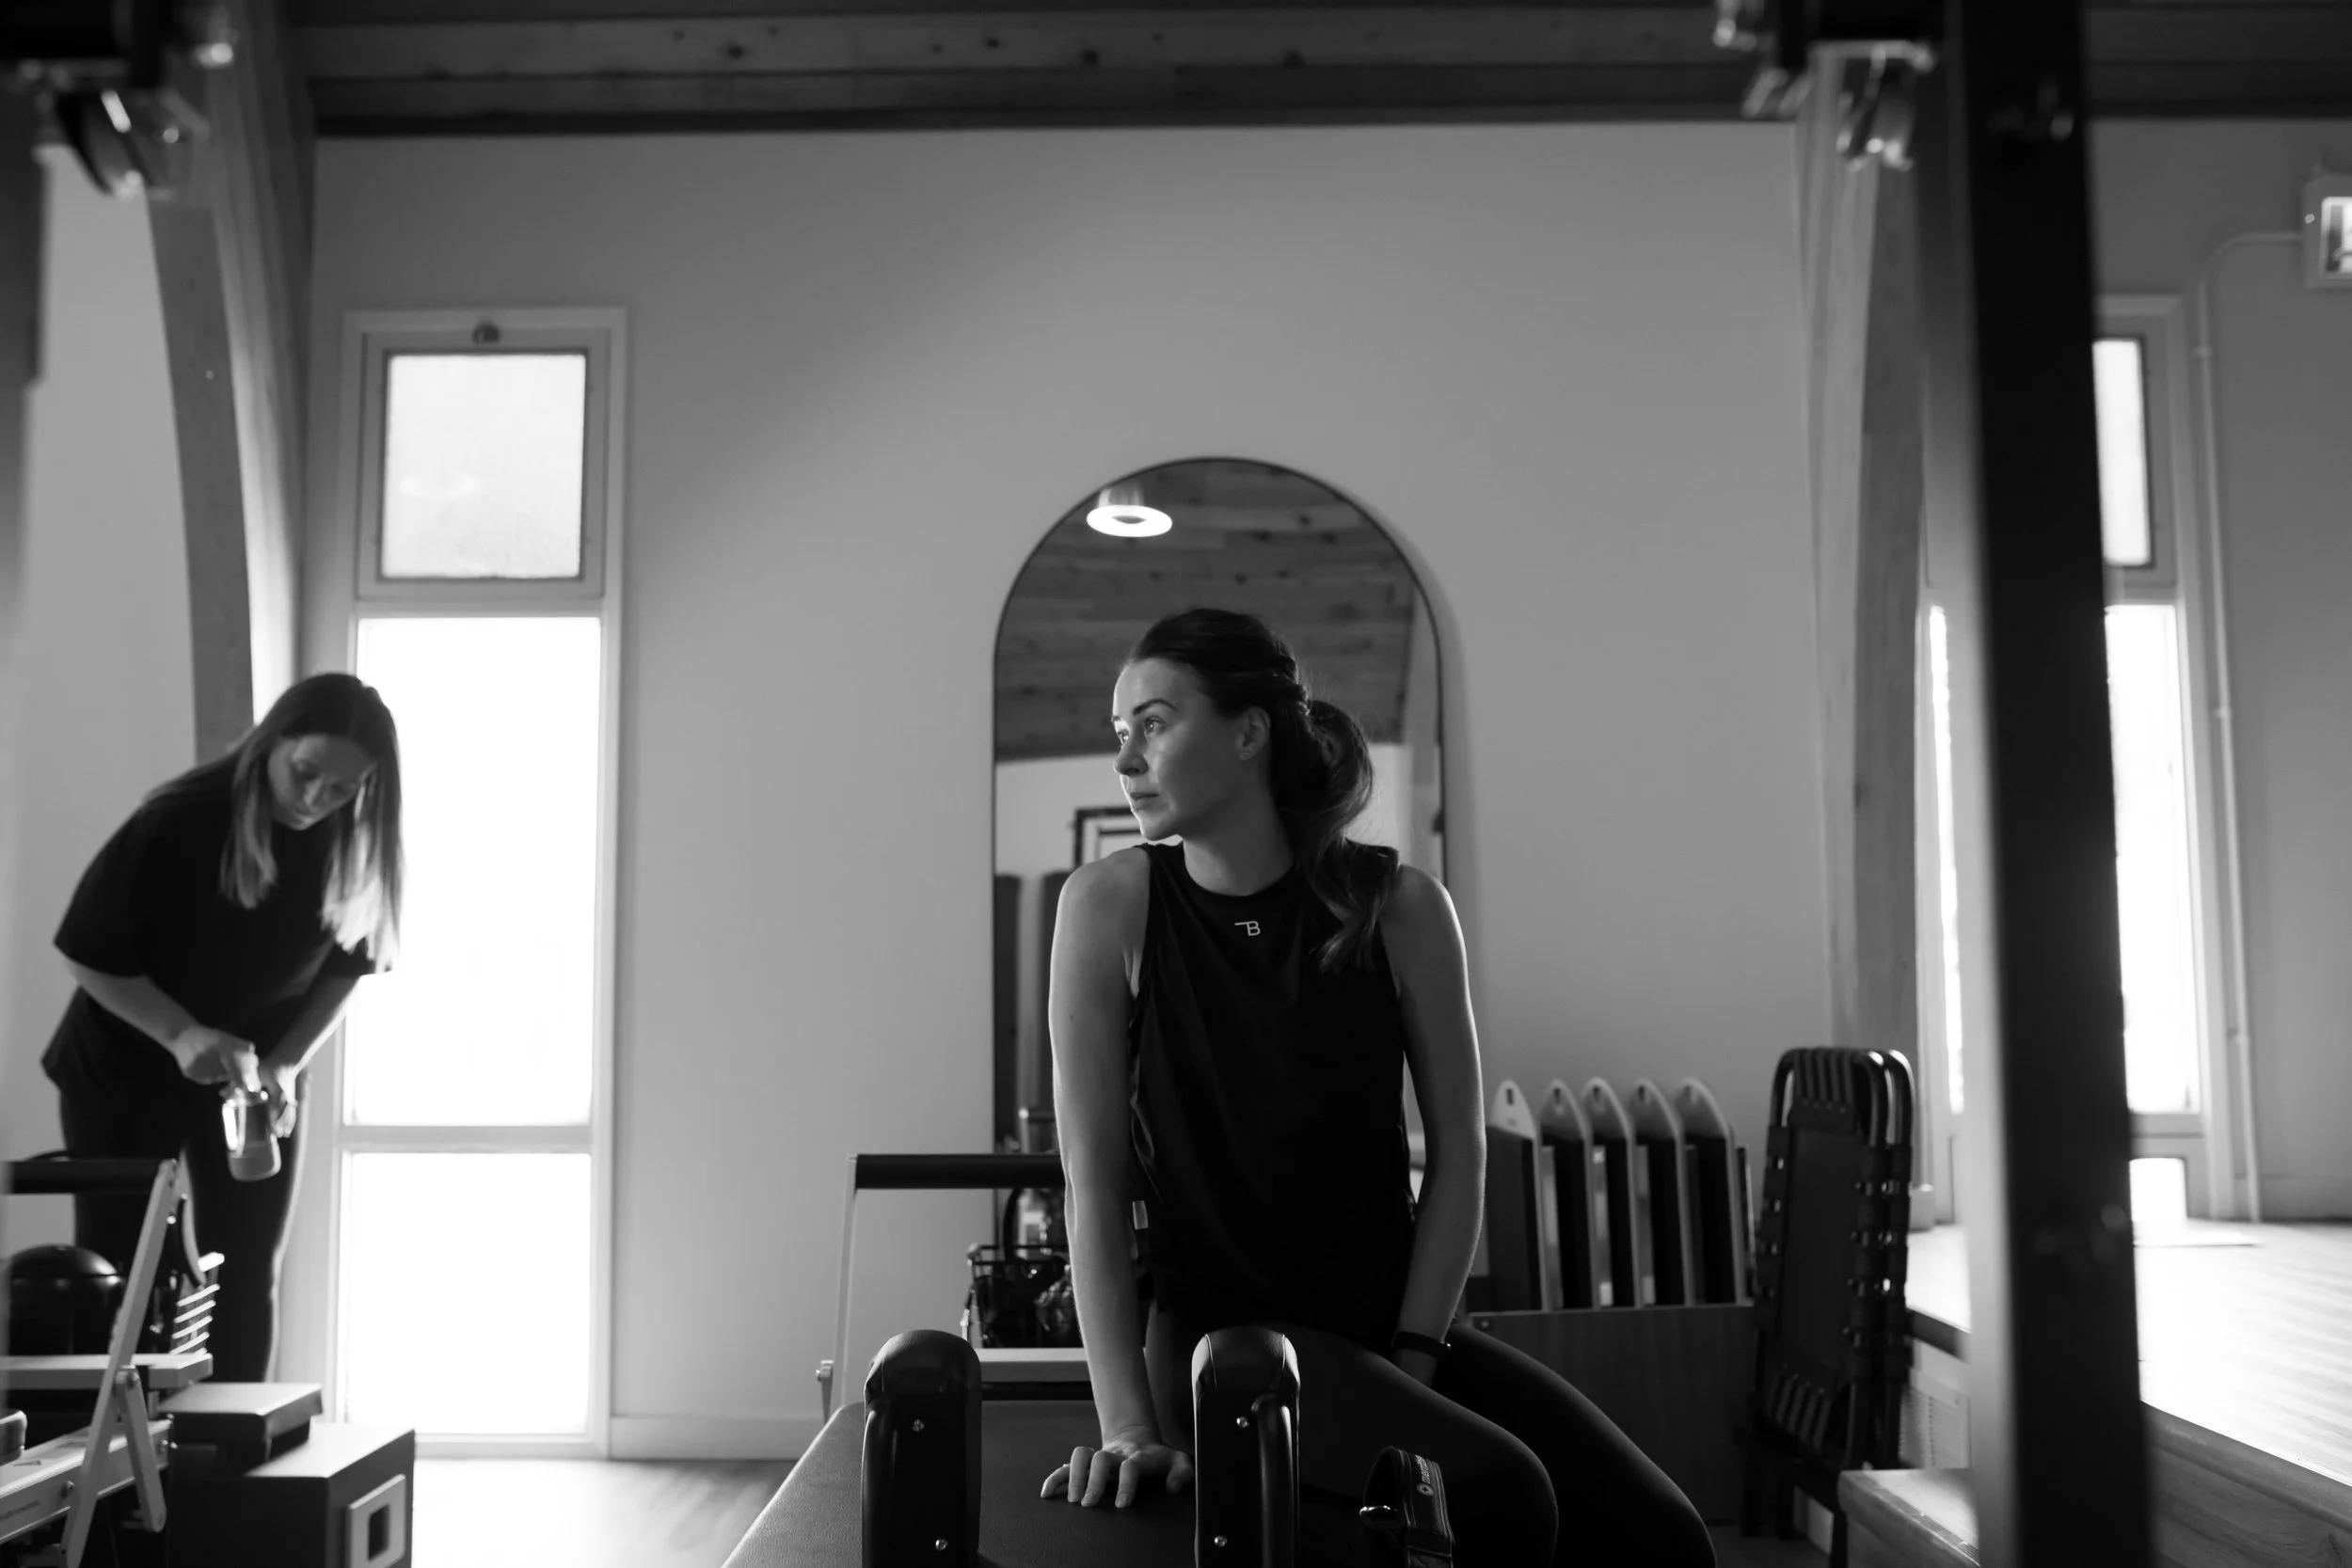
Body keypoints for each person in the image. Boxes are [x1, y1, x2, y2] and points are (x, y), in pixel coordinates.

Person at [1038, 609, 1714, 1567]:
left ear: (1248, 730)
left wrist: (1414, 1358)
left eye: (1152, 722)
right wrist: (1125, 1426)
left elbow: (1458, 1152)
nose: (1124, 759)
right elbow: (1092, 1186)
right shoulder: (1108, 905)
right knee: (1503, 1492)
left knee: (1662, 1536)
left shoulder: (1397, 906)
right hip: (1230, 1351)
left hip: (1389, 1328)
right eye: (1120, 733)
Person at [41, 673, 404, 1383]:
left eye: (342, 787)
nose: (317, 798)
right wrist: (180, 1034)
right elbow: (86, 951)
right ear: (272, 743)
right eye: (306, 773)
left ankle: (235, 1458)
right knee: (123, 1270)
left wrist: (288, 1063)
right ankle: (116, 1465)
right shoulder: (179, 820)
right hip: (125, 1061)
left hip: (251, 1074)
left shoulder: (354, 841)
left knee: (244, 1265)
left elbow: (347, 967)